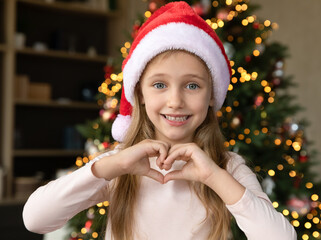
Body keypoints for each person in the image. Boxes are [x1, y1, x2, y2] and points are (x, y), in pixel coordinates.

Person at [23, 2, 297, 240]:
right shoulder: (121, 163)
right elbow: (35, 219)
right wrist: (112, 165)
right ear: (139, 93)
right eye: (159, 85)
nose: (175, 101)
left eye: (192, 86)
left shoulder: (227, 167)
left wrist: (214, 177)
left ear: (212, 96)